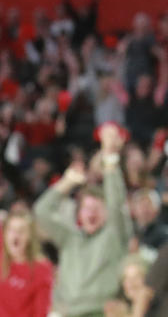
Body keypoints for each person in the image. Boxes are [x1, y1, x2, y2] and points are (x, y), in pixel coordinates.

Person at [34, 122, 132, 317]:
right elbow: (41, 211)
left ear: (106, 213)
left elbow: (116, 203)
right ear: (79, 214)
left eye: (97, 208)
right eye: (86, 208)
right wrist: (68, 182)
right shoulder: (69, 237)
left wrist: (110, 158)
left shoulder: (114, 234)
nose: (91, 213)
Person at [0, 207, 53, 317]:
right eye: (11, 230)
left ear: (29, 236)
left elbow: (41, 312)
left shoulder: (41, 269)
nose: (16, 234)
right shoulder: (2, 254)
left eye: (21, 231)